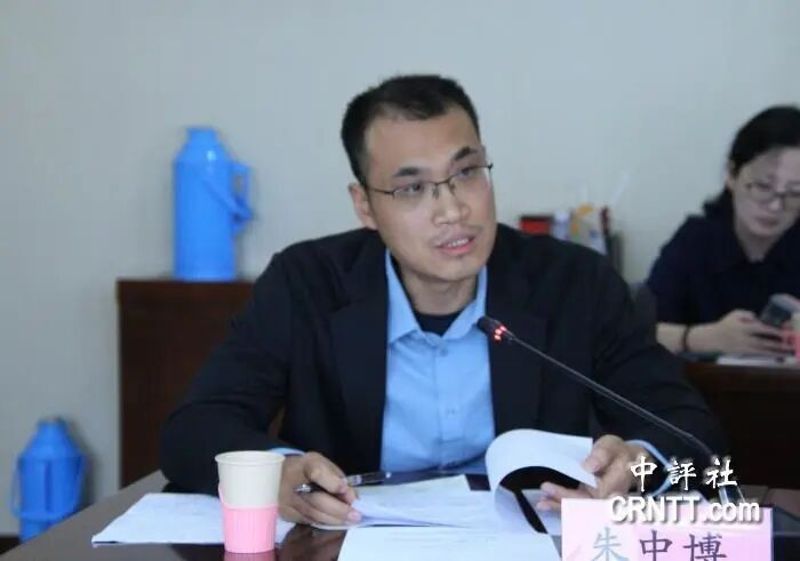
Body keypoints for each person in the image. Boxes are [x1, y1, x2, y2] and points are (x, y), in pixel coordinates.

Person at [160, 74, 723, 526]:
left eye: (467, 172)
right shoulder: (306, 283)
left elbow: (689, 427)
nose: (453, 210)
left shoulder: (575, 282)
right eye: (412, 188)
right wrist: (276, 475)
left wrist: (640, 462)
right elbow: (196, 427)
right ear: (364, 206)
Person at [647, 106, 800, 356]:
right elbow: (634, 334)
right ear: (731, 174)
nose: (775, 206)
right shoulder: (695, 242)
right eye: (763, 186)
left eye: (795, 193)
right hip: (706, 381)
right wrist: (704, 338)